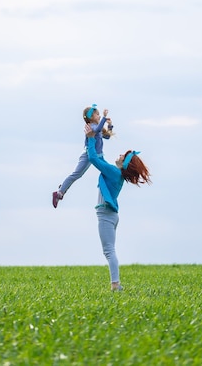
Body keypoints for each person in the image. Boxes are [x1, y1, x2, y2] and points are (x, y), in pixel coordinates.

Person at [85, 122, 151, 291]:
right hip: (110, 216)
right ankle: (116, 284)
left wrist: (91, 138)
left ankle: (115, 284)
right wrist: (100, 135)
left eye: (123, 156)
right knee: (109, 250)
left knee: (109, 251)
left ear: (124, 164)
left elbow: (94, 159)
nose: (120, 155)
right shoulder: (116, 173)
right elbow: (101, 159)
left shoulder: (114, 173)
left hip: (106, 216)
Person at [52, 104, 114, 208]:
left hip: (98, 156)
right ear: (91, 117)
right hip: (88, 155)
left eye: (99, 114)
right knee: (77, 174)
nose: (99, 116)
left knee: (109, 171)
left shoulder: (97, 126)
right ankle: (59, 192)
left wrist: (110, 125)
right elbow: (98, 130)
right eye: (97, 114)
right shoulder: (92, 127)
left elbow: (107, 136)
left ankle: (63, 187)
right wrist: (104, 117)